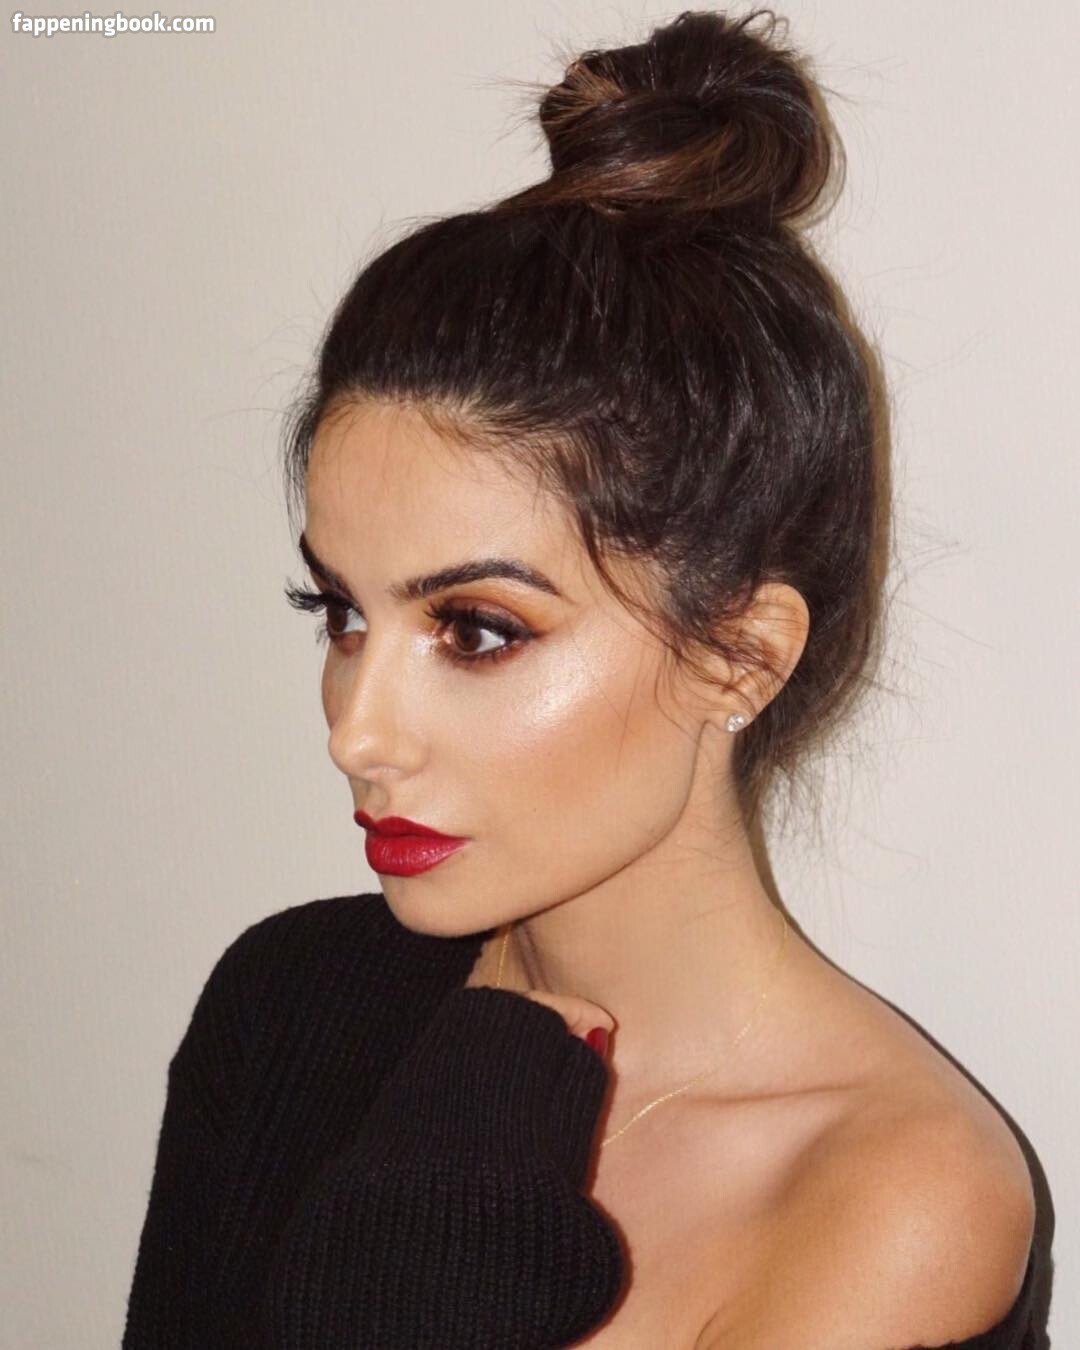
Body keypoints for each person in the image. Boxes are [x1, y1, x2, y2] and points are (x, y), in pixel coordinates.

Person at [123, 8, 1039, 1347]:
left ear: (740, 653)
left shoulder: (892, 1195)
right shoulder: (291, 1001)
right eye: (342, 613)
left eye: (477, 631)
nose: (357, 732)